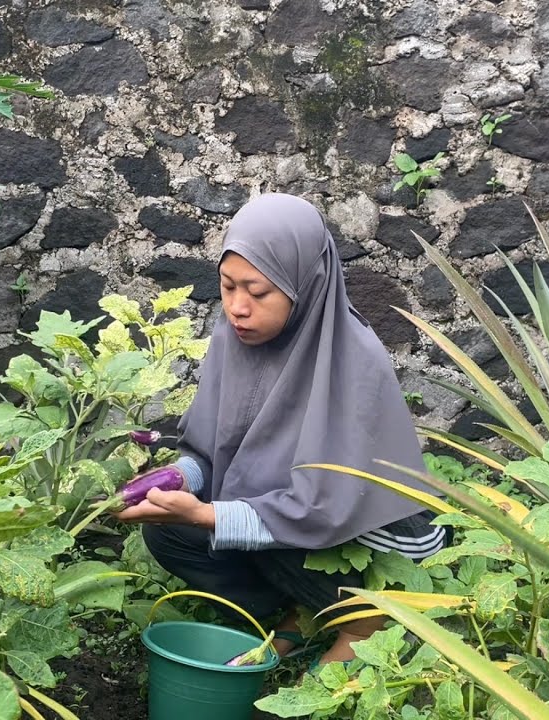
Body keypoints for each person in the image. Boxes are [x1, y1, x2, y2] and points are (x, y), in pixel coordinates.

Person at [117, 192, 445, 667]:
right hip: (286, 516)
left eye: (258, 292)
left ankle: (366, 622)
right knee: (167, 533)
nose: (238, 307)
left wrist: (207, 516)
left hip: (375, 544)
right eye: (228, 286)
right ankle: (299, 610)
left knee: (246, 527)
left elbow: (323, 508)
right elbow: (209, 452)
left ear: (305, 284)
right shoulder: (233, 338)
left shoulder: (352, 359)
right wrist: (173, 481)